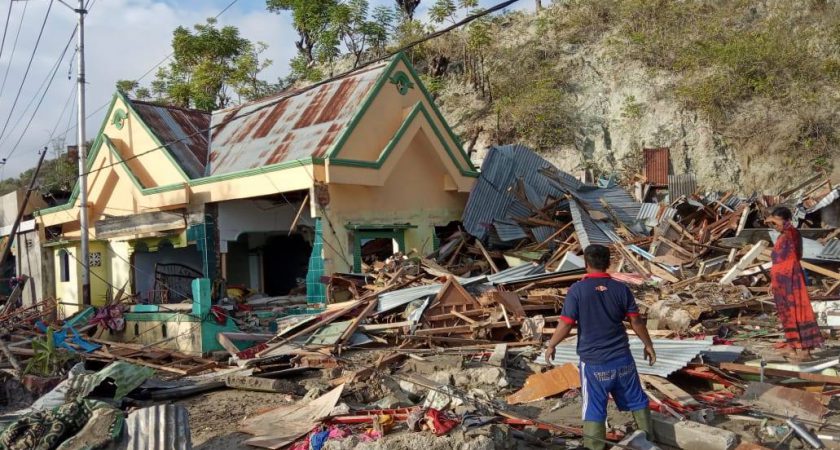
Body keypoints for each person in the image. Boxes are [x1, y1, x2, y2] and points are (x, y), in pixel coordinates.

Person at [544, 244, 656, 450]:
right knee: (637, 399)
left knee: (594, 407)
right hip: (623, 358)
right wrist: (648, 345)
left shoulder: (577, 290)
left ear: (586, 264)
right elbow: (636, 321)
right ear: (608, 263)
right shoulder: (621, 289)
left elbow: (567, 323)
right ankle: (648, 441)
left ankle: (595, 446)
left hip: (594, 363)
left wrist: (551, 345)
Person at [765, 206, 823, 361]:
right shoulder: (780, 237)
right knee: (786, 314)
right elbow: (777, 261)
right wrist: (772, 281)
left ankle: (805, 351)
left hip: (792, 279)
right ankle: (792, 346)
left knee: (798, 312)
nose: (775, 225)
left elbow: (789, 229)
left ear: (787, 221)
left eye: (777, 222)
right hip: (780, 281)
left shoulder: (793, 234)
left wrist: (772, 218)